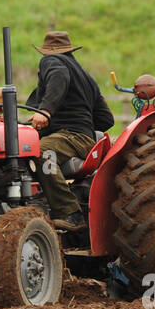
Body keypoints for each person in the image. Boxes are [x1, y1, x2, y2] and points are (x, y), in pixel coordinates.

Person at [24, 31, 114, 230]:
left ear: (47, 51)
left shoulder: (52, 61)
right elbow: (106, 119)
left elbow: (58, 75)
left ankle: (69, 212)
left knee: (42, 152)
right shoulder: (86, 77)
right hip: (85, 139)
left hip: (72, 136)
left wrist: (46, 111)